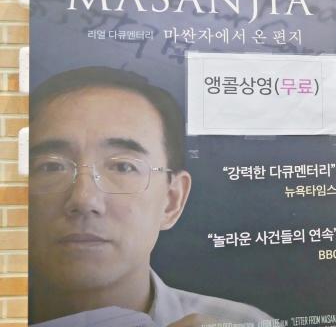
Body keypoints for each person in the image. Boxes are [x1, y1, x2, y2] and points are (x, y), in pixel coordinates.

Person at [28, 67, 272, 327]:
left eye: (123, 167)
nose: (84, 199)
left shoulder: (245, 323)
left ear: (172, 200)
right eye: (51, 166)